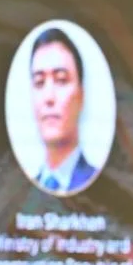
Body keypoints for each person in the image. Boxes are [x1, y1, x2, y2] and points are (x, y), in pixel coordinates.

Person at [28, 27, 98, 195]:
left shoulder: (101, 187)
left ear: (81, 96)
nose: (48, 97)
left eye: (61, 80)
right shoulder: (19, 193)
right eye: (39, 82)